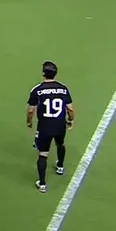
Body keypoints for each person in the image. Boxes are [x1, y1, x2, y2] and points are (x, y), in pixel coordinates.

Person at [27, 61, 74, 193]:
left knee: (43, 153)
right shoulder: (63, 88)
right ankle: (60, 166)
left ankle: (42, 184)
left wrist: (29, 122)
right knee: (60, 144)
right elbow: (70, 108)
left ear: (43, 74)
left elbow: (31, 110)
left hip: (45, 127)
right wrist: (71, 120)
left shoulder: (37, 90)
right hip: (59, 125)